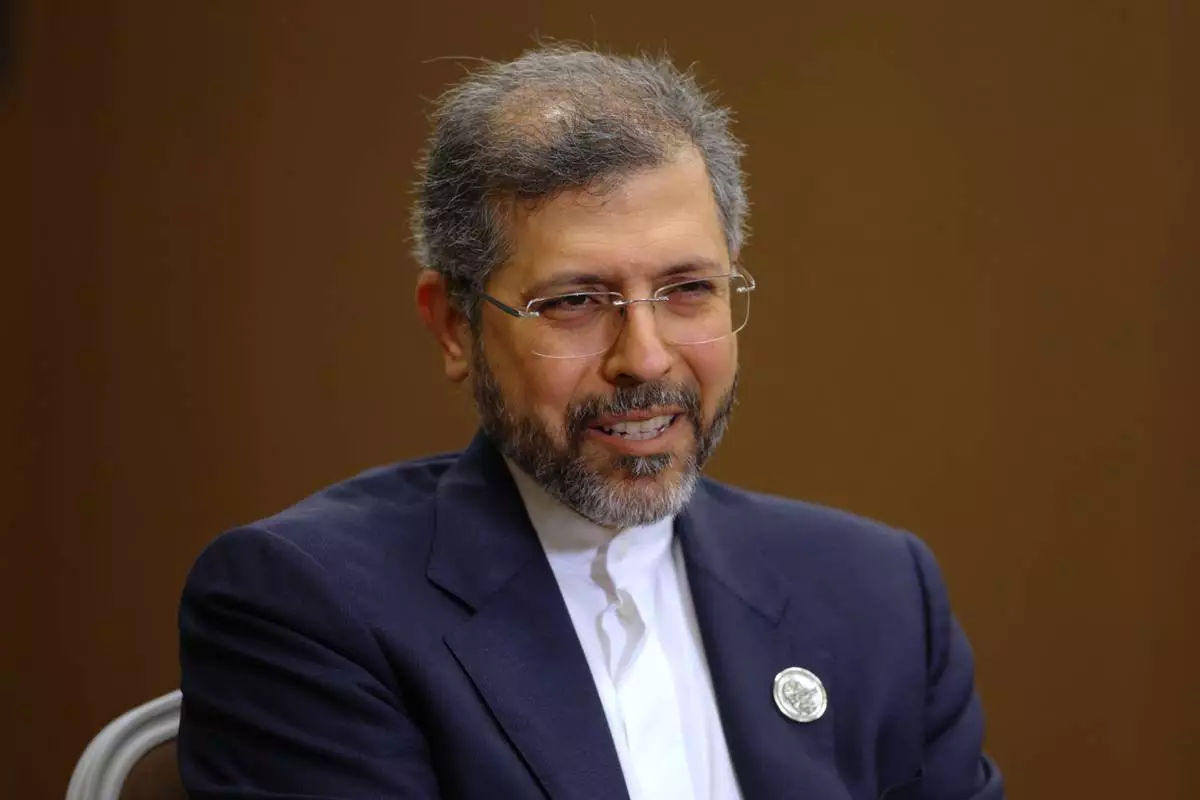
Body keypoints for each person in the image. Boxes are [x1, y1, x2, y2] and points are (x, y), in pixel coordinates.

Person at [177, 45, 1003, 800]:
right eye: (574, 301)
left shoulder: (876, 593)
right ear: (455, 326)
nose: (644, 358)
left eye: (688, 290)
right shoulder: (310, 606)